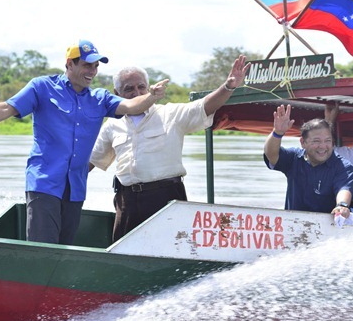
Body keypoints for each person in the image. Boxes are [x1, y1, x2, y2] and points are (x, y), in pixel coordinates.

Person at [0, 39, 168, 245]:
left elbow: (132, 106)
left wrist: (151, 96)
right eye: (86, 65)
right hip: (45, 183)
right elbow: (7, 108)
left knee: (64, 248)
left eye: (95, 67)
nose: (92, 71)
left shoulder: (100, 98)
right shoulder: (42, 87)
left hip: (75, 187)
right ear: (69, 64)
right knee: (43, 249)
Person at [89, 55, 250, 241]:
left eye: (141, 87)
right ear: (116, 93)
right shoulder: (111, 125)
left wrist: (228, 86)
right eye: (129, 89)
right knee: (123, 250)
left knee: (172, 247)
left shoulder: (170, 114)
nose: (137, 93)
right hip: (127, 202)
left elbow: (203, 107)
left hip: (166, 198)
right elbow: (91, 161)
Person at [263, 104, 353, 217]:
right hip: (293, 225)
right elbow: (271, 155)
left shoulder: (344, 167)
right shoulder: (294, 158)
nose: (323, 146)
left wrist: (342, 206)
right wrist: (277, 133)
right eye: (316, 141)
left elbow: (344, 190)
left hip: (330, 228)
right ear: (303, 142)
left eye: (327, 141)